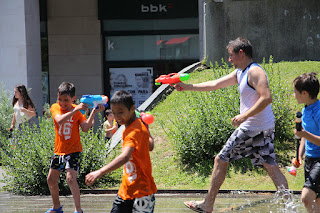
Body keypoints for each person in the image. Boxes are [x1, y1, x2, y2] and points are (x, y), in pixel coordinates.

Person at [177, 37, 289, 213]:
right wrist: (187, 87)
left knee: (220, 159)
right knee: (271, 166)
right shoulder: (240, 72)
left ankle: (207, 205)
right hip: (263, 128)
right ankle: (289, 207)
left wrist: (244, 116)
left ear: (241, 53)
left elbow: (266, 98)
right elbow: (214, 84)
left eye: (231, 55)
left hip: (252, 128)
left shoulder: (255, 72)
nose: (229, 59)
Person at [85, 90, 157, 213]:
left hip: (141, 193)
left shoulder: (133, 131)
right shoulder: (137, 125)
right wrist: (147, 130)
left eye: (121, 112)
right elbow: (150, 146)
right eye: (114, 113)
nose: (117, 117)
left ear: (132, 109)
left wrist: (100, 171)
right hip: (126, 190)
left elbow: (124, 157)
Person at [46, 82, 105, 213]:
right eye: (60, 99)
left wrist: (93, 113)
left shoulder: (77, 110)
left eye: (66, 100)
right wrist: (75, 109)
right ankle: (57, 207)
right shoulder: (56, 107)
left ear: (73, 98)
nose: (62, 103)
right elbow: (59, 120)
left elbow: (85, 128)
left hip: (74, 150)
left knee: (70, 178)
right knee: (51, 179)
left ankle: (78, 209)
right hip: (59, 151)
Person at [291, 72, 320, 212]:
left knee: (306, 197)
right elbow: (304, 136)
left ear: (304, 93)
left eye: (295, 92)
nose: (294, 95)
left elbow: (305, 134)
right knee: (316, 201)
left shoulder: (319, 111)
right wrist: (299, 156)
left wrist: (304, 134)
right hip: (309, 159)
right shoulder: (305, 109)